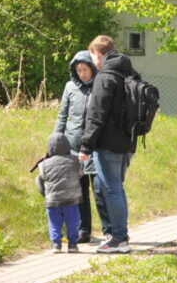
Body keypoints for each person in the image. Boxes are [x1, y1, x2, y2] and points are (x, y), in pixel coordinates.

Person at [79, 35, 137, 254]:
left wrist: (85, 146)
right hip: (127, 141)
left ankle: (119, 239)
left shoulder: (105, 77)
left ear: (99, 54)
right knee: (116, 188)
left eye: (92, 56)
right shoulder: (128, 72)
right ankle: (120, 235)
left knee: (111, 189)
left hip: (108, 143)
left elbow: (96, 115)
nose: (92, 61)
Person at [54, 50, 108, 245]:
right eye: (78, 70)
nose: (82, 74)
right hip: (74, 146)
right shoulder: (70, 87)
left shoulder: (100, 86)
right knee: (79, 191)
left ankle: (109, 231)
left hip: (96, 146)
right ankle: (83, 230)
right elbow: (62, 115)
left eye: (84, 69)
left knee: (100, 190)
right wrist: (56, 139)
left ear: (92, 68)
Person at [34, 132, 84, 253]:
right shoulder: (76, 160)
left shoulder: (43, 164)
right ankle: (73, 244)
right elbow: (80, 174)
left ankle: (56, 244)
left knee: (54, 223)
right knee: (73, 222)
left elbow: (41, 178)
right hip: (71, 199)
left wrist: (45, 195)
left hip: (52, 199)